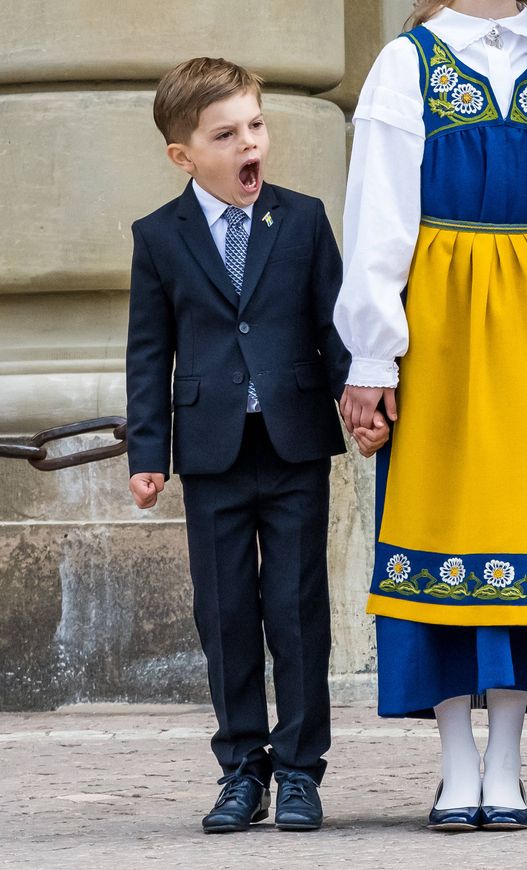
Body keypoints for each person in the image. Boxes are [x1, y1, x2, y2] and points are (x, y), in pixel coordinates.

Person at [125, 56, 388, 834]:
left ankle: (301, 770)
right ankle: (244, 768)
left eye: (257, 126)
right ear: (185, 155)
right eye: (228, 133)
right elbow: (149, 353)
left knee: (297, 609)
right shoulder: (158, 237)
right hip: (210, 454)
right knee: (227, 614)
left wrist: (361, 403)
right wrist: (148, 453)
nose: (251, 144)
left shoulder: (302, 219)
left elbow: (332, 328)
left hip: (295, 443)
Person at [335, 0, 527, 831]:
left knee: (525, 529)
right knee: (440, 526)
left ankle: (505, 763)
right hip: (438, 322)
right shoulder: (407, 63)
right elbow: (376, 220)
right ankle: (453, 765)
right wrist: (372, 357)